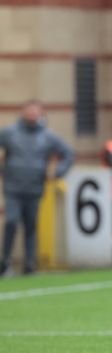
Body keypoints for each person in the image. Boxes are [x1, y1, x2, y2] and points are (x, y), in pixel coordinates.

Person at [0, 100, 75, 276]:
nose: (33, 114)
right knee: (11, 221)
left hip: (35, 189)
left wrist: (58, 172)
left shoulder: (48, 136)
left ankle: (29, 264)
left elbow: (68, 153)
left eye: (36, 111)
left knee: (31, 226)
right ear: (23, 112)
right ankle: (4, 262)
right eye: (30, 110)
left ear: (41, 114)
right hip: (13, 188)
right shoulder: (10, 133)